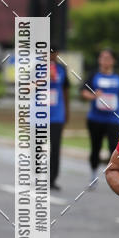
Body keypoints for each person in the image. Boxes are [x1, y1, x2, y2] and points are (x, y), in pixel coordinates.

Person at [81, 49, 119, 189]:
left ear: (113, 61)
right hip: (96, 118)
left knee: (115, 148)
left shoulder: (118, 77)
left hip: (114, 119)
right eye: (102, 57)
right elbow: (83, 92)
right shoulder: (93, 75)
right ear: (99, 60)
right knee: (95, 148)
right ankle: (93, 175)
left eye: (108, 58)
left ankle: (117, 176)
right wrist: (93, 96)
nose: (105, 60)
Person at [49, 47, 69, 191]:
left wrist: (67, 111)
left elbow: (65, 90)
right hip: (38, 116)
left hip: (56, 116)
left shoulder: (62, 69)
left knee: (55, 148)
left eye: (53, 52)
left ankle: (52, 179)